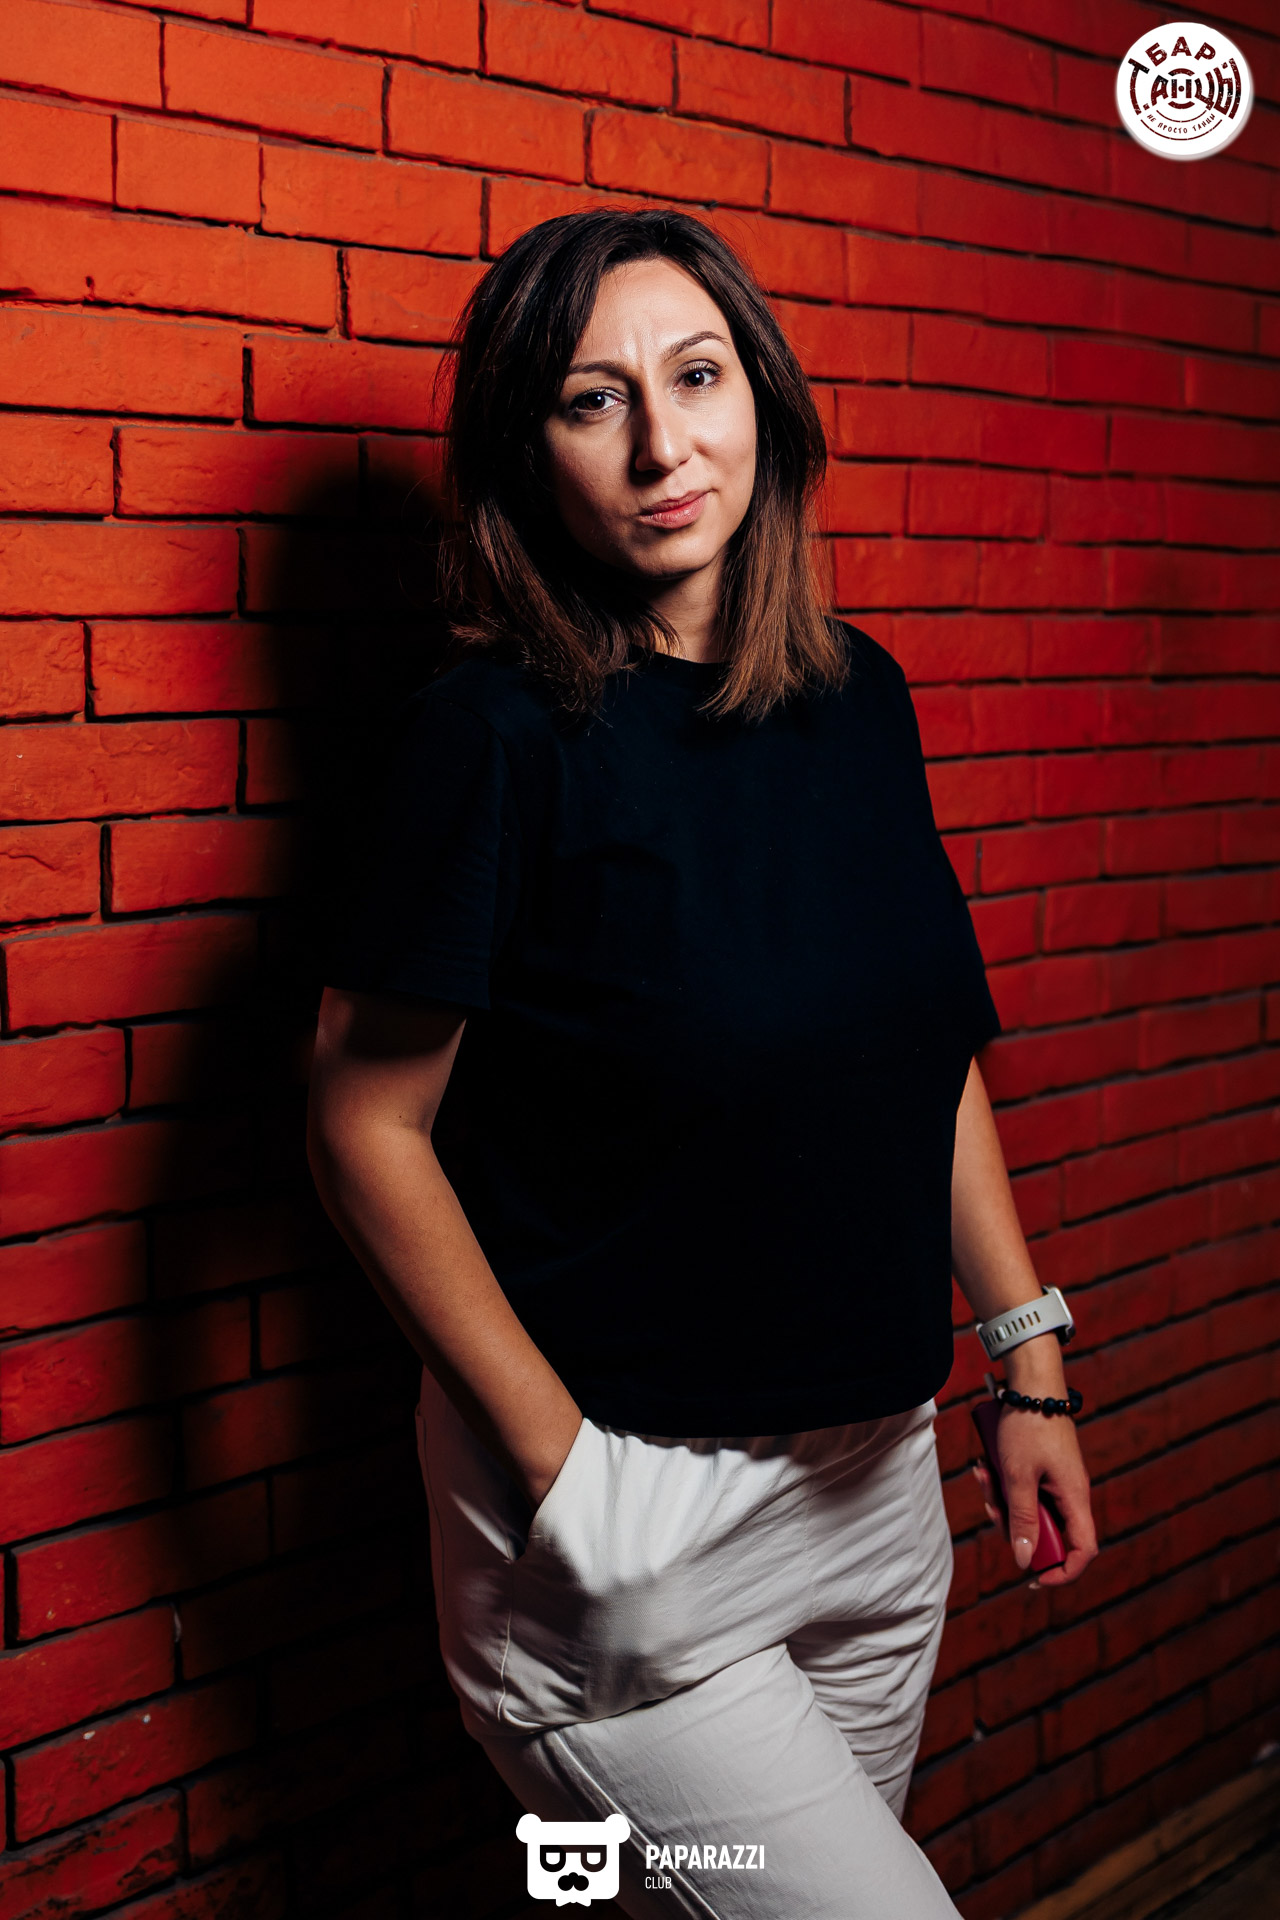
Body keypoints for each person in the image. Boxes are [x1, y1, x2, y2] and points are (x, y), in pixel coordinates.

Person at [306, 208, 1097, 1919]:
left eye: (698, 376)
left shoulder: (857, 697)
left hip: (876, 1494)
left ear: (765, 401)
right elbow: (362, 1123)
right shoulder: (491, 739)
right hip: (635, 1524)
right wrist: (572, 1483)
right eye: (593, 401)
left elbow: (922, 1054)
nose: (664, 447)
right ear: (528, 451)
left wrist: (1025, 1357)